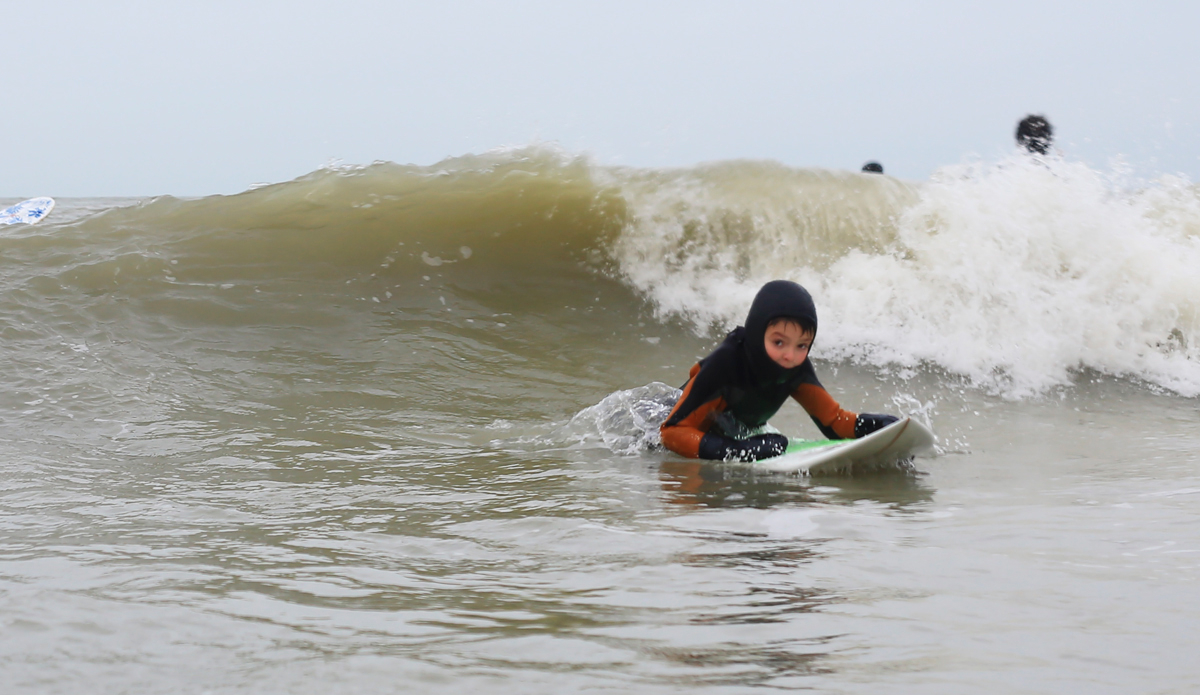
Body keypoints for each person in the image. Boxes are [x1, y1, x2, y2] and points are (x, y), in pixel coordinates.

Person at [659, 280, 899, 461]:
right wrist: (738, 451)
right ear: (756, 332)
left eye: (802, 345)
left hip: (717, 436)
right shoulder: (725, 364)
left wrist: (874, 427)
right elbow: (670, 433)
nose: (790, 355)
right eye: (779, 342)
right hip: (659, 420)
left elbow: (834, 421)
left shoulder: (795, 369)